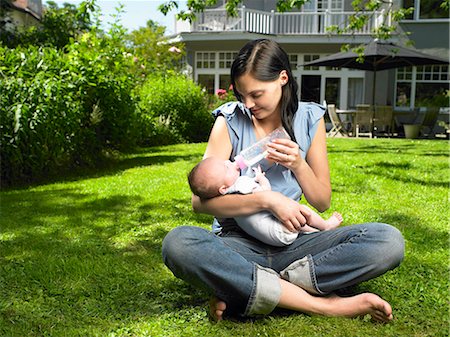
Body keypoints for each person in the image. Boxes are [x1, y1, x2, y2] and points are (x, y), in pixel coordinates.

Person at [162, 39, 404, 322]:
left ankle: (246, 287)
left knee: (388, 241)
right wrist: (269, 199)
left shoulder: (309, 119)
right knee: (178, 244)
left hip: (297, 244)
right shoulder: (229, 120)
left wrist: (298, 164)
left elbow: (321, 201)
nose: (248, 104)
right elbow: (199, 203)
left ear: (283, 78)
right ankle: (324, 304)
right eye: (242, 95)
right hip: (239, 243)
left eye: (257, 94)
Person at [188, 156, 343, 246]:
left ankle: (314, 233)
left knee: (292, 223)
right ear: (223, 188)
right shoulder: (242, 183)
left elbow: (223, 220)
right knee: (299, 209)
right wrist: (261, 179)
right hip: (280, 231)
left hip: (268, 238)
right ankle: (325, 225)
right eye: (226, 168)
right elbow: (267, 194)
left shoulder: (223, 200)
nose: (229, 162)